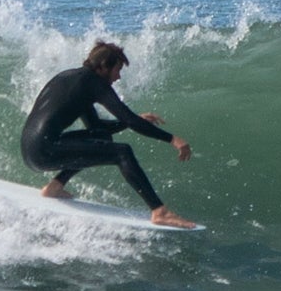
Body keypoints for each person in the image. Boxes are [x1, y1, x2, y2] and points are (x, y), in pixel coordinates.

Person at [20, 38, 197, 226]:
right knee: (122, 152)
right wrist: (172, 139)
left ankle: (55, 187)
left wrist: (131, 121)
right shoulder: (95, 83)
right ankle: (159, 212)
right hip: (44, 151)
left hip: (30, 149)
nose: (118, 77)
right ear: (103, 67)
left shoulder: (71, 78)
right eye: (117, 70)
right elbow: (128, 118)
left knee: (101, 137)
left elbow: (97, 127)